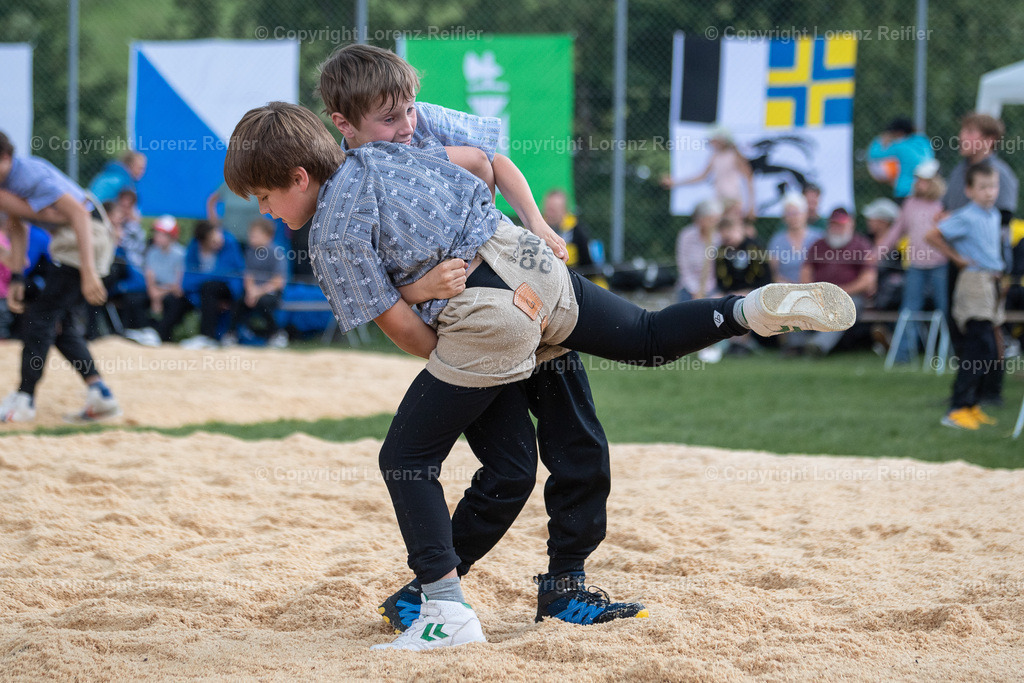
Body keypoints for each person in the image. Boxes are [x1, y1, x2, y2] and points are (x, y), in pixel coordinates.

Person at [224, 101, 856, 651]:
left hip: (490, 317)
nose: (268, 212)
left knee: (406, 456)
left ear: (299, 176)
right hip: (526, 257)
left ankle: (443, 607)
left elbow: (412, 337)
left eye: (265, 198)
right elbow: (483, 164)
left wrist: (433, 304)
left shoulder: (330, 228)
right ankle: (746, 309)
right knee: (644, 337)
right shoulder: (389, 149)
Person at [316, 43, 640, 634]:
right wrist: (417, 292)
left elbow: (495, 163)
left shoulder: (417, 117)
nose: (406, 124)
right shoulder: (353, 184)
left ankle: (565, 585)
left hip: (523, 284)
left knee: (580, 441)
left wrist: (538, 222)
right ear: (345, 123)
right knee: (510, 468)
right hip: (478, 327)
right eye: (390, 118)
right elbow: (386, 287)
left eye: (408, 109)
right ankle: (434, 589)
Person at [0, 131, 121, 423]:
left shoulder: (28, 176)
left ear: (5, 158)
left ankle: (25, 398)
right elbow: (19, 227)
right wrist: (17, 276)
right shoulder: (8, 182)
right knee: (60, 326)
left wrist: (90, 274)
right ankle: (100, 394)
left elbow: (79, 214)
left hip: (85, 238)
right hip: (74, 241)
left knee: (39, 318)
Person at [943, 113, 1019, 406]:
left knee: (988, 331)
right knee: (962, 327)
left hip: (986, 268)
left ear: (988, 140)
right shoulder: (959, 171)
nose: (962, 137)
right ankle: (967, 391)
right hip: (960, 263)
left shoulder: (999, 173)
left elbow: (1002, 224)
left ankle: (990, 391)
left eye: (969, 132)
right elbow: (947, 210)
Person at [926, 163, 1004, 430]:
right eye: (982, 187)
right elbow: (932, 235)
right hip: (973, 282)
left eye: (993, 186)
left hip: (991, 282)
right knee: (978, 346)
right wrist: (957, 258)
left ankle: (972, 405)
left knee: (989, 348)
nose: (989, 192)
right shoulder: (966, 216)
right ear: (969, 190)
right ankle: (957, 408)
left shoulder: (993, 215)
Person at [878, 161, 948, 363]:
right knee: (909, 309)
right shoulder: (910, 204)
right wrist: (879, 252)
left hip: (940, 264)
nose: (919, 184)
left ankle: (949, 352)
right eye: (918, 180)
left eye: (924, 180)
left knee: (944, 308)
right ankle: (903, 354)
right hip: (916, 265)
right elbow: (896, 231)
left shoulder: (943, 204)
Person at [794, 208, 876, 356]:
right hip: (819, 292)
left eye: (841, 224)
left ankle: (817, 346)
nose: (837, 228)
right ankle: (795, 346)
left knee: (844, 308)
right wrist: (811, 291)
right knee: (799, 301)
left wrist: (842, 291)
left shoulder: (861, 245)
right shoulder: (819, 244)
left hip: (850, 295)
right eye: (834, 224)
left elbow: (868, 279)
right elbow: (805, 271)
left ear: (851, 224)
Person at [162, 221, 243, 349]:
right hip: (198, 292)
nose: (218, 241)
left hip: (227, 290)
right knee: (175, 298)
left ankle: (207, 336)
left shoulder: (229, 243)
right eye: (213, 240)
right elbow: (187, 280)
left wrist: (199, 279)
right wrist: (196, 282)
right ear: (203, 241)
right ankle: (161, 336)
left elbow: (228, 275)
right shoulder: (194, 247)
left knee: (208, 287)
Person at [662, 127, 756, 219]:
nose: (712, 143)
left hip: (733, 199)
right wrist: (675, 182)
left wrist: (751, 206)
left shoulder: (735, 156)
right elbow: (702, 176)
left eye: (714, 140)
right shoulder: (715, 156)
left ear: (722, 140)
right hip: (719, 199)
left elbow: (749, 179)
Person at [224, 218, 288, 348]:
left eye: (255, 234)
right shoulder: (250, 252)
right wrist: (251, 291)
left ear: (267, 235)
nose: (251, 237)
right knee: (239, 303)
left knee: (263, 302)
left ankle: (277, 334)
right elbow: (248, 275)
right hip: (252, 292)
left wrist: (257, 293)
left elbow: (278, 282)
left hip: (270, 293)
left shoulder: (277, 253)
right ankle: (231, 334)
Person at [715, 214, 771, 355]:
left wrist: (748, 289)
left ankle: (740, 344)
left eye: (730, 231)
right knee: (713, 300)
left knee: (742, 300)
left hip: (754, 290)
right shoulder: (721, 251)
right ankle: (717, 343)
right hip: (731, 291)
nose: (727, 236)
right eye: (724, 232)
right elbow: (720, 279)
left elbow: (765, 277)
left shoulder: (755, 247)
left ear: (739, 229)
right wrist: (725, 292)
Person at [867, 117, 935, 202]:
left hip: (905, 190)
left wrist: (879, 140)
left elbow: (874, 155)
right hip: (926, 189)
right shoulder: (923, 141)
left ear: (899, 132)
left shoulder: (900, 146)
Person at [143, 215, 186, 345]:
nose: (156, 236)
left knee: (173, 302)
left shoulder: (181, 254)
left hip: (169, 292)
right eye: (156, 233)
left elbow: (177, 286)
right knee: (135, 299)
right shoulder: (152, 252)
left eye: (161, 234)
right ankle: (143, 331)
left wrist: (157, 295)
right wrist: (154, 294)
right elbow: (149, 276)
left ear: (171, 237)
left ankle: (160, 335)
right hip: (157, 289)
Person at [766, 192, 823, 284]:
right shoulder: (777, 240)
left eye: (796, 213)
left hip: (814, 288)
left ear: (805, 214)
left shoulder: (818, 237)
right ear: (784, 217)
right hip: (785, 288)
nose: (793, 217)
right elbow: (772, 273)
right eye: (789, 214)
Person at [675, 199, 722, 302]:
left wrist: (707, 290)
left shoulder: (719, 237)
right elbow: (683, 267)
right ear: (700, 219)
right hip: (689, 287)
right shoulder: (686, 236)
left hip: (713, 287)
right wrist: (696, 290)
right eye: (711, 220)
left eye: (716, 220)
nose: (714, 223)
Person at [206, 180, 266, 246]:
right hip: (229, 238)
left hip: (253, 240)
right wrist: (215, 224)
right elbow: (211, 201)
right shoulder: (228, 184)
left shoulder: (258, 185)